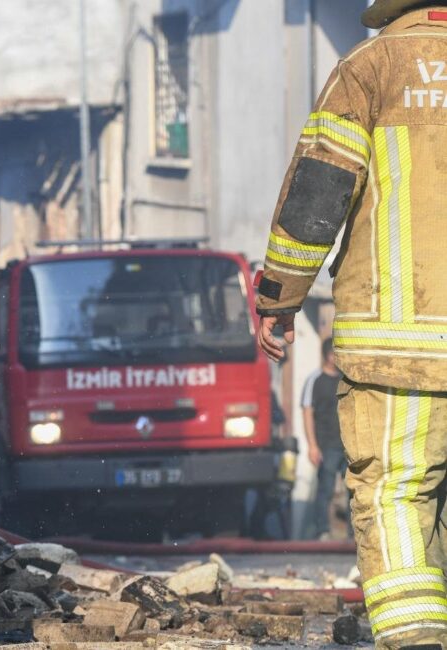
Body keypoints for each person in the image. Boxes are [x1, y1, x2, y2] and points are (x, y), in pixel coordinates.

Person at [256, 2, 447, 646]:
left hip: (402, 347)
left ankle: (419, 636)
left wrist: (279, 299)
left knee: (396, 490)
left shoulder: (370, 68)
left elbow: (317, 194)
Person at [300, 337, 348, 540]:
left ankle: (355, 535)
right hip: (326, 445)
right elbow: (307, 412)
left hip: (348, 445)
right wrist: (312, 445)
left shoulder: (347, 380)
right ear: (328, 355)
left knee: (355, 492)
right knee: (325, 490)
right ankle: (322, 531)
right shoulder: (315, 380)